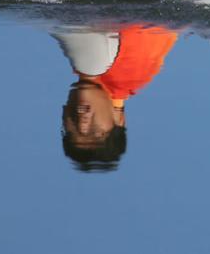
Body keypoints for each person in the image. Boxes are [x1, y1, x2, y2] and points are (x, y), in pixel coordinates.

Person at [54, 23, 179, 171]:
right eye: (96, 132)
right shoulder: (96, 65)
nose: (82, 123)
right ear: (119, 119)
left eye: (72, 131)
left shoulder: (131, 79)